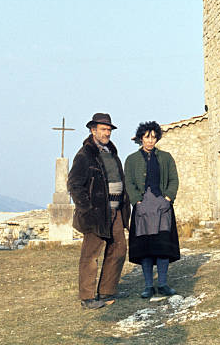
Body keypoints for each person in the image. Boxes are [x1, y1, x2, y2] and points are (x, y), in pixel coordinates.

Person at [67, 113, 131, 309]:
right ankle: (87, 297)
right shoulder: (85, 154)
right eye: (103, 129)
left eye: (109, 129)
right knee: (91, 254)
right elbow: (74, 184)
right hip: (97, 213)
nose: (107, 133)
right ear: (93, 130)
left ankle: (106, 291)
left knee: (119, 249)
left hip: (116, 210)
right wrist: (88, 209)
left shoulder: (112, 153)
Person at [124, 121, 180, 299]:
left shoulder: (166, 157)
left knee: (162, 246)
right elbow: (129, 183)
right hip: (143, 208)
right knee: (145, 248)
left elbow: (173, 180)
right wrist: (136, 202)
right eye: (147, 137)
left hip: (162, 207)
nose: (150, 140)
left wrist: (168, 199)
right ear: (141, 137)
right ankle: (148, 286)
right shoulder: (131, 160)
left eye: (153, 137)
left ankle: (162, 283)